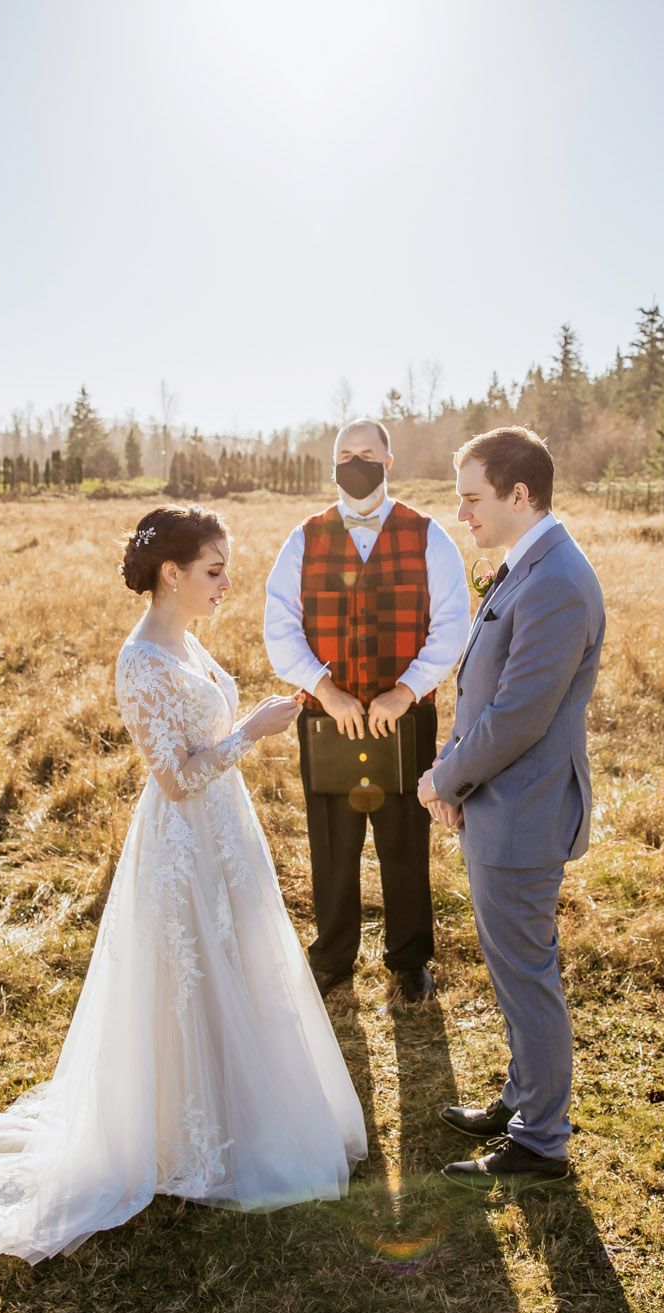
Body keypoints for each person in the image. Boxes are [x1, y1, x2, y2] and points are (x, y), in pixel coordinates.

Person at [0, 505, 366, 1263]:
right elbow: (174, 777)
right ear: (172, 573)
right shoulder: (140, 662)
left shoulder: (188, 640)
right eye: (215, 570)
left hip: (226, 832)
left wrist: (242, 730)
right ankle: (181, 1129)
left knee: (243, 965)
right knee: (190, 975)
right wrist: (249, 734)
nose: (227, 583)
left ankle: (242, 1102)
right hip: (183, 840)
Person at [418, 427, 605, 1192]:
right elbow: (488, 690)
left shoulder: (557, 579)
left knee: (527, 974)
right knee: (512, 967)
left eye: (471, 496)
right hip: (503, 804)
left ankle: (542, 1140)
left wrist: (443, 781)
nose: (461, 512)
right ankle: (524, 1100)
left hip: (522, 810)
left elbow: (518, 715)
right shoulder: (529, 567)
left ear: (517, 495)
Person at [263, 419, 472, 1003]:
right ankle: (333, 956)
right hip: (327, 719)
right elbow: (279, 627)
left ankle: (409, 961)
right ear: (333, 464)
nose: (355, 463)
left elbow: (452, 626)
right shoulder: (304, 538)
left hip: (403, 717)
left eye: (366, 454)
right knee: (332, 842)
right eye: (345, 455)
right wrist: (324, 690)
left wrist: (405, 691)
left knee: (405, 838)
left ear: (388, 462)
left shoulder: (428, 535)